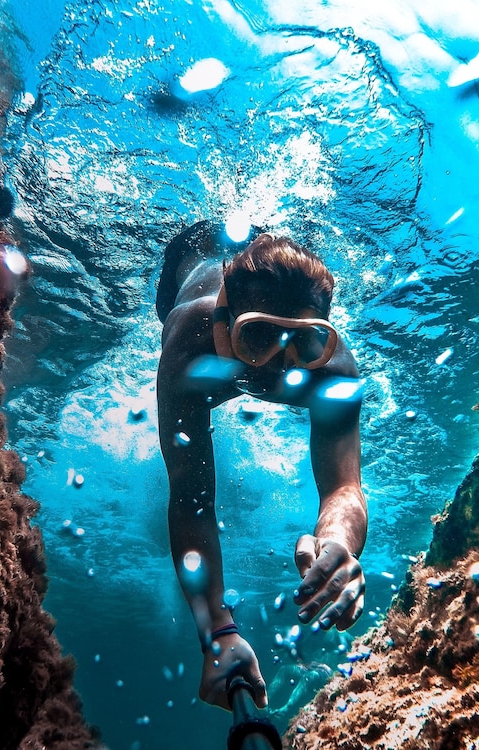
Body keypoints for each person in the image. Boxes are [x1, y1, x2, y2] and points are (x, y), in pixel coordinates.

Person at [156, 221, 367, 711]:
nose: (279, 365)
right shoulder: (188, 341)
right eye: (258, 338)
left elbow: (345, 487)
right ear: (224, 321)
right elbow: (191, 500)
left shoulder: (333, 370)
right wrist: (218, 632)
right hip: (189, 252)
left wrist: (337, 541)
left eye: (304, 342)